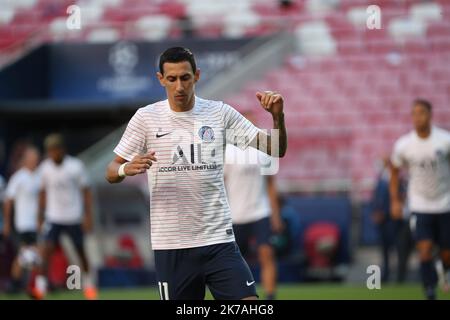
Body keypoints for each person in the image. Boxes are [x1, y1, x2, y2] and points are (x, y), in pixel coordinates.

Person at [105, 47, 287, 300]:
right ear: (161, 79)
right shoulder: (146, 118)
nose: (179, 86)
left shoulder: (220, 113)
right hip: (172, 246)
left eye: (185, 78)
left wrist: (278, 119)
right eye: (172, 79)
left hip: (218, 241)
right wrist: (126, 168)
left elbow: (275, 148)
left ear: (197, 76)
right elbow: (111, 171)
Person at [390, 99, 450, 299]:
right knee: (424, 249)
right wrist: (395, 200)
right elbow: (395, 172)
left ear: (430, 115)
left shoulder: (445, 140)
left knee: (446, 253)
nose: (418, 117)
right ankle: (429, 289)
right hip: (420, 204)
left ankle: (446, 272)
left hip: (445, 202)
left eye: (421, 113)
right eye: (414, 113)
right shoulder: (404, 145)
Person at [224, 111, 284, 300]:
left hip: (260, 211)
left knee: (266, 253)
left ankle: (270, 296)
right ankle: (237, 295)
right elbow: (220, 185)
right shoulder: (228, 152)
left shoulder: (262, 151)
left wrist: (275, 215)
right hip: (236, 214)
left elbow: (271, 185)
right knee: (234, 261)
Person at [34, 134, 97, 300]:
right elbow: (42, 193)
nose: (53, 154)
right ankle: (40, 289)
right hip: (53, 217)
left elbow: (86, 191)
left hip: (73, 217)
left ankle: (89, 286)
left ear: (62, 150)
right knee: (46, 251)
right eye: (50, 151)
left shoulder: (75, 166)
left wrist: (88, 216)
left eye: (56, 150)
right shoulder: (45, 168)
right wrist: (39, 216)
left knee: (80, 251)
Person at [3, 146, 41, 293]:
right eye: (32, 158)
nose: (35, 161)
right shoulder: (19, 177)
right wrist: (7, 222)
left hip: (36, 223)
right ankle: (19, 283)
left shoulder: (39, 176)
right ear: (26, 160)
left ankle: (23, 283)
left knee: (29, 255)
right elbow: (8, 200)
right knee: (27, 254)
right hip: (23, 223)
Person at [372, 156, 412, 283]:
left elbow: (399, 198)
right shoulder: (381, 180)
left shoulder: (397, 180)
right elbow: (376, 200)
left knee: (400, 248)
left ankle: (400, 277)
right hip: (384, 222)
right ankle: (386, 275)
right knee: (384, 250)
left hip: (395, 220)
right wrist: (377, 212)